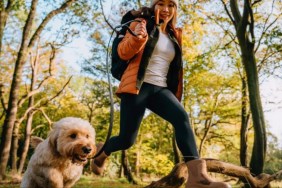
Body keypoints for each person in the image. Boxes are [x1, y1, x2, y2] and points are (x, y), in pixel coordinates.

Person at [92, 0, 230, 187]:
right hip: (137, 86)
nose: (166, 9)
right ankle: (102, 152)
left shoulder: (174, 35)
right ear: (153, 6)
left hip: (160, 89)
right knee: (126, 139)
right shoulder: (139, 24)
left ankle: (197, 178)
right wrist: (138, 38)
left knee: (181, 117)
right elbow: (123, 53)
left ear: (175, 9)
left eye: (171, 5)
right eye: (161, 4)